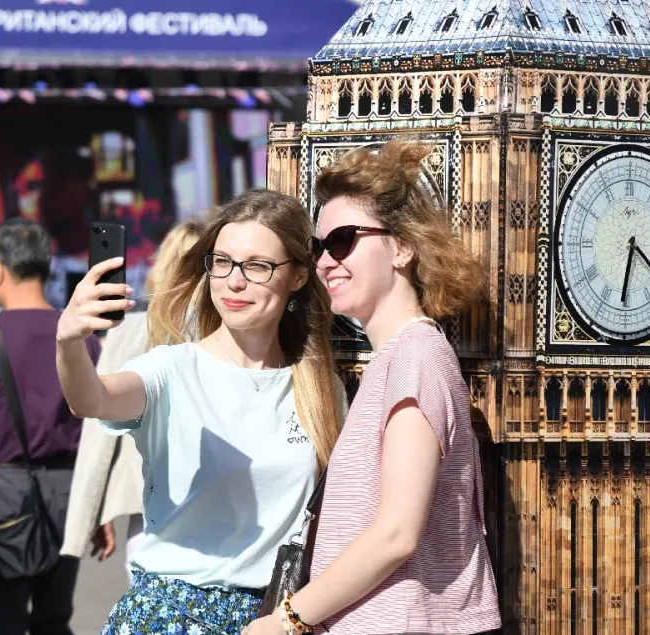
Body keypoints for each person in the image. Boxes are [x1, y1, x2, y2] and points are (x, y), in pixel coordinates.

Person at [56, 189, 346, 634]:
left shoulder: (321, 388)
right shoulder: (172, 368)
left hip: (279, 618)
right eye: (223, 262)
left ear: (299, 275)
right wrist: (69, 341)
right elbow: (91, 399)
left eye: (257, 266)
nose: (234, 281)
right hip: (171, 617)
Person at [242, 140, 500, 635]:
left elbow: (396, 534)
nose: (324, 262)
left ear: (402, 246)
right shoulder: (397, 360)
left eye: (343, 240)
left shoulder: (416, 358)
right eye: (319, 248)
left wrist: (287, 620)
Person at [0, 219, 101, 635]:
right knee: (54, 618)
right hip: (69, 492)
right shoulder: (81, 334)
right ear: (45, 269)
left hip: (2, 492)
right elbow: (100, 425)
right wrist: (99, 506)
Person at [60, 218, 205, 580]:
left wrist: (94, 511)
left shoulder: (128, 329)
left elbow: (98, 430)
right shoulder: (227, 330)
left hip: (143, 504)